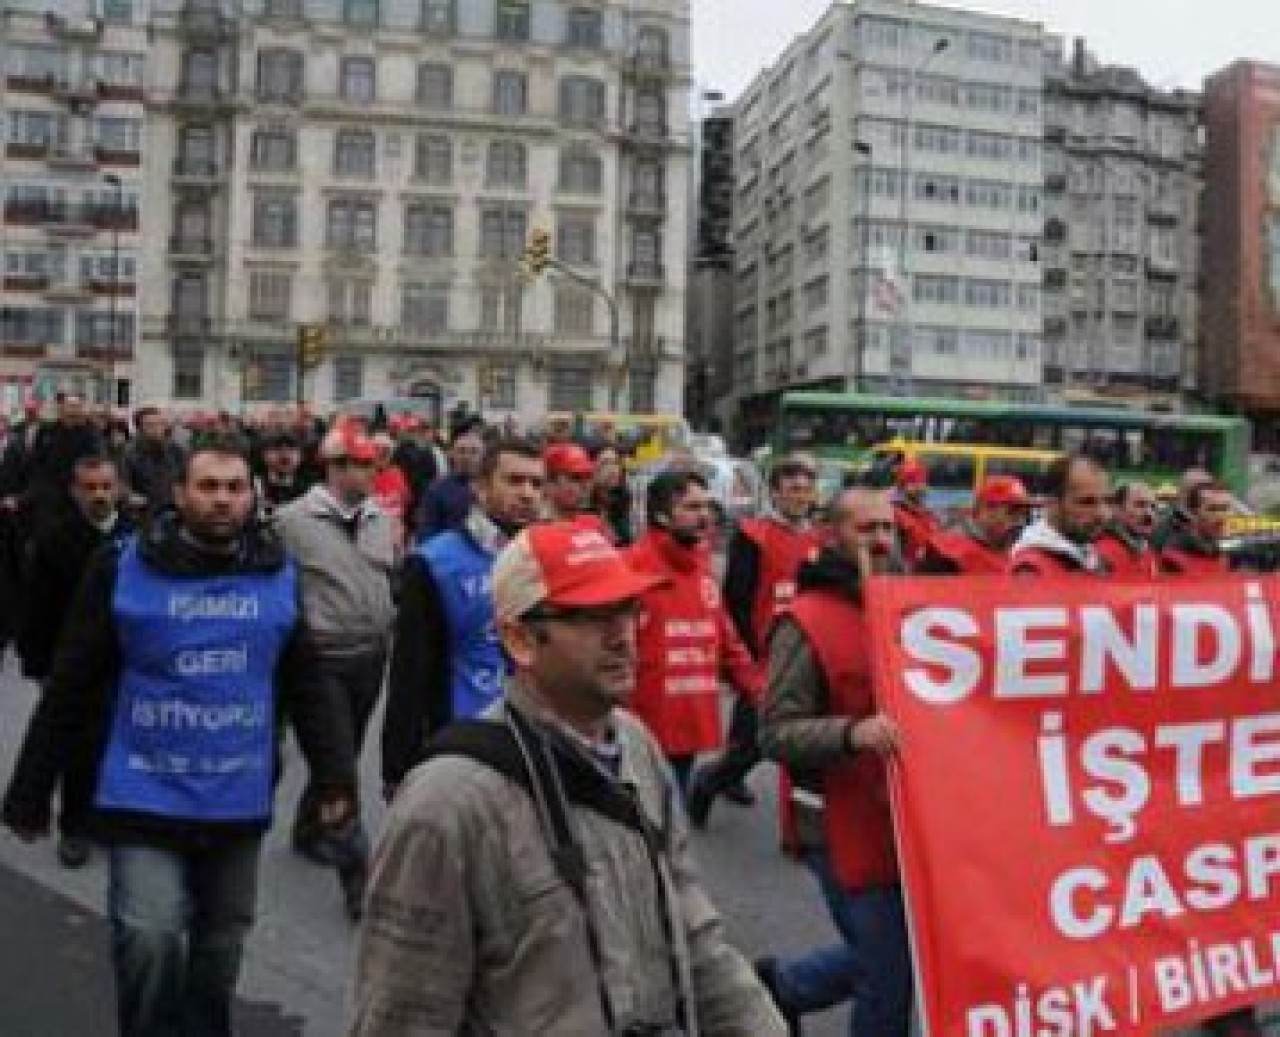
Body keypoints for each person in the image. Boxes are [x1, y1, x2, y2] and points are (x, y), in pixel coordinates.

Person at [350, 520, 786, 1036]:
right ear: (519, 639)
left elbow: (695, 934)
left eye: (627, 608)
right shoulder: (447, 803)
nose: (623, 634)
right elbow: (400, 1016)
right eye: (589, 616)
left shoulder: (636, 747)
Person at [3, 434, 356, 1037]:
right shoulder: (122, 566)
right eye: (208, 487)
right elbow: (72, 684)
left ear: (253, 496)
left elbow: (307, 681)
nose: (222, 500)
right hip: (143, 795)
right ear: (178, 493)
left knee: (219, 955)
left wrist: (335, 778)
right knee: (150, 939)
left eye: (234, 488)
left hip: (236, 799)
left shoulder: (277, 573)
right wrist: (32, 790)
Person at [759, 484, 908, 1037]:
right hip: (838, 826)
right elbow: (773, 733)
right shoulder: (805, 621)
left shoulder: (905, 607)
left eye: (889, 527)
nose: (882, 540)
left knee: (895, 954)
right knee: (889, 977)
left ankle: (784, 988)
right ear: (831, 534)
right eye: (866, 528)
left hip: (902, 822)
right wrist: (853, 733)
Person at [274, 425, 396, 920]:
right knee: (341, 768)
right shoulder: (291, 521)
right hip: (320, 659)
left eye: (373, 466)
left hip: (370, 655)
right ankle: (357, 874)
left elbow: (388, 574)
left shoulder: (380, 519)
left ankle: (309, 829)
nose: (369, 475)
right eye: (360, 465)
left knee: (341, 752)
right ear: (335, 466)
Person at [380, 438, 545, 799]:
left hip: (537, 740)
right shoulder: (434, 562)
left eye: (536, 483)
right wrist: (398, 766)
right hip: (461, 744)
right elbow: (409, 674)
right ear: (481, 488)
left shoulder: (547, 557)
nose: (528, 493)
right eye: (514, 481)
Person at [687, 456, 820, 828]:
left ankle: (802, 826)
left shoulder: (817, 539)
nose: (801, 496)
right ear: (775, 493)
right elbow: (737, 598)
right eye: (793, 489)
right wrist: (747, 651)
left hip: (802, 650)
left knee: (800, 742)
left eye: (807, 489)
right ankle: (710, 782)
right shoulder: (752, 535)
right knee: (755, 742)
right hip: (762, 651)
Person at [15, 455, 133, 868]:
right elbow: (36, 610)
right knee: (78, 748)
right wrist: (39, 666)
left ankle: (108, 817)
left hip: (126, 661)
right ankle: (75, 826)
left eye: (106, 486)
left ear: (118, 488)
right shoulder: (55, 540)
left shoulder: (136, 536)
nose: (99, 495)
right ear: (75, 492)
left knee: (117, 744)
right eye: (90, 488)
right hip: (74, 661)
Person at [625, 470, 762, 794]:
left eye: (707, 506)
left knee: (672, 830)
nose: (704, 516)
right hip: (638, 731)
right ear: (661, 514)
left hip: (688, 730)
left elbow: (727, 642)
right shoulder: (629, 569)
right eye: (692, 507)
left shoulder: (702, 569)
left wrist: (763, 693)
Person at [1009, 453, 1110, 576]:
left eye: (1106, 501)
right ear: (1052, 502)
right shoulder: (1031, 570)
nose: (1102, 514)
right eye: (1087, 502)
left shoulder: (1087, 554)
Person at [918, 475, 1032, 574]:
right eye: (1014, 511)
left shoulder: (1015, 549)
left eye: (1024, 513)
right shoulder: (947, 551)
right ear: (987, 509)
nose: (1019, 519)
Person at [416, 429, 482, 540]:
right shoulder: (437, 489)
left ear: (483, 456)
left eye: (474, 451)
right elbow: (426, 530)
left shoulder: (491, 489)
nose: (466, 457)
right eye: (461, 451)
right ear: (452, 454)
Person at [123, 406, 184, 523]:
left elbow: (186, 478)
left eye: (160, 423)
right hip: (144, 515)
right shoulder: (129, 453)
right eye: (150, 425)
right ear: (139, 429)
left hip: (174, 514)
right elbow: (123, 484)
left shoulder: (176, 451)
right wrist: (131, 497)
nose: (157, 428)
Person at [1159, 480, 1232, 576]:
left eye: (1225, 509)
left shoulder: (1223, 552)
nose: (1221, 517)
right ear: (1193, 513)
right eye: (1212, 509)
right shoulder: (1174, 555)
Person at [1094, 482, 1161, 578]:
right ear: (1116, 509)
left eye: (1153, 507)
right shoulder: (1102, 552)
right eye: (1140, 505)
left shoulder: (1147, 549)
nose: (1149, 513)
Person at [891, 456, 938, 569]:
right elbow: (894, 558)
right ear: (901, 486)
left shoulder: (929, 515)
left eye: (922, 482)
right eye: (912, 482)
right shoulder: (895, 515)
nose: (919, 487)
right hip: (910, 578)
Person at [254, 428, 309, 518]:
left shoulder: (309, 490)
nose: (285, 455)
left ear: (301, 455)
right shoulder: (253, 487)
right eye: (277, 448)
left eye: (291, 448)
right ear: (263, 454)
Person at [543, 441, 600, 524]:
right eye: (576, 478)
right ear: (551, 483)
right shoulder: (533, 531)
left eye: (587, 477)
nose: (585, 485)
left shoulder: (594, 523)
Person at [590, 443, 634, 545]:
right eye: (605, 463)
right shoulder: (584, 506)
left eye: (615, 463)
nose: (612, 469)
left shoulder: (623, 498)